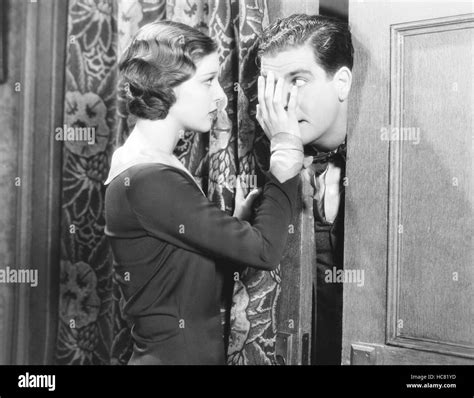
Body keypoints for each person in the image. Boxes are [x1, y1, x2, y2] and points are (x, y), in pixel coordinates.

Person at [104, 20, 304, 365]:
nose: (221, 96)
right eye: (208, 81)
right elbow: (265, 251)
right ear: (165, 84)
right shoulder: (150, 178)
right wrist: (286, 151)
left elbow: (176, 272)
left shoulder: (142, 165)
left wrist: (235, 224)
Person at [257, 14, 354, 365]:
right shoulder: (263, 162)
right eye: (271, 84)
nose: (284, 102)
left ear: (342, 82)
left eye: (298, 80)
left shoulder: (379, 165)